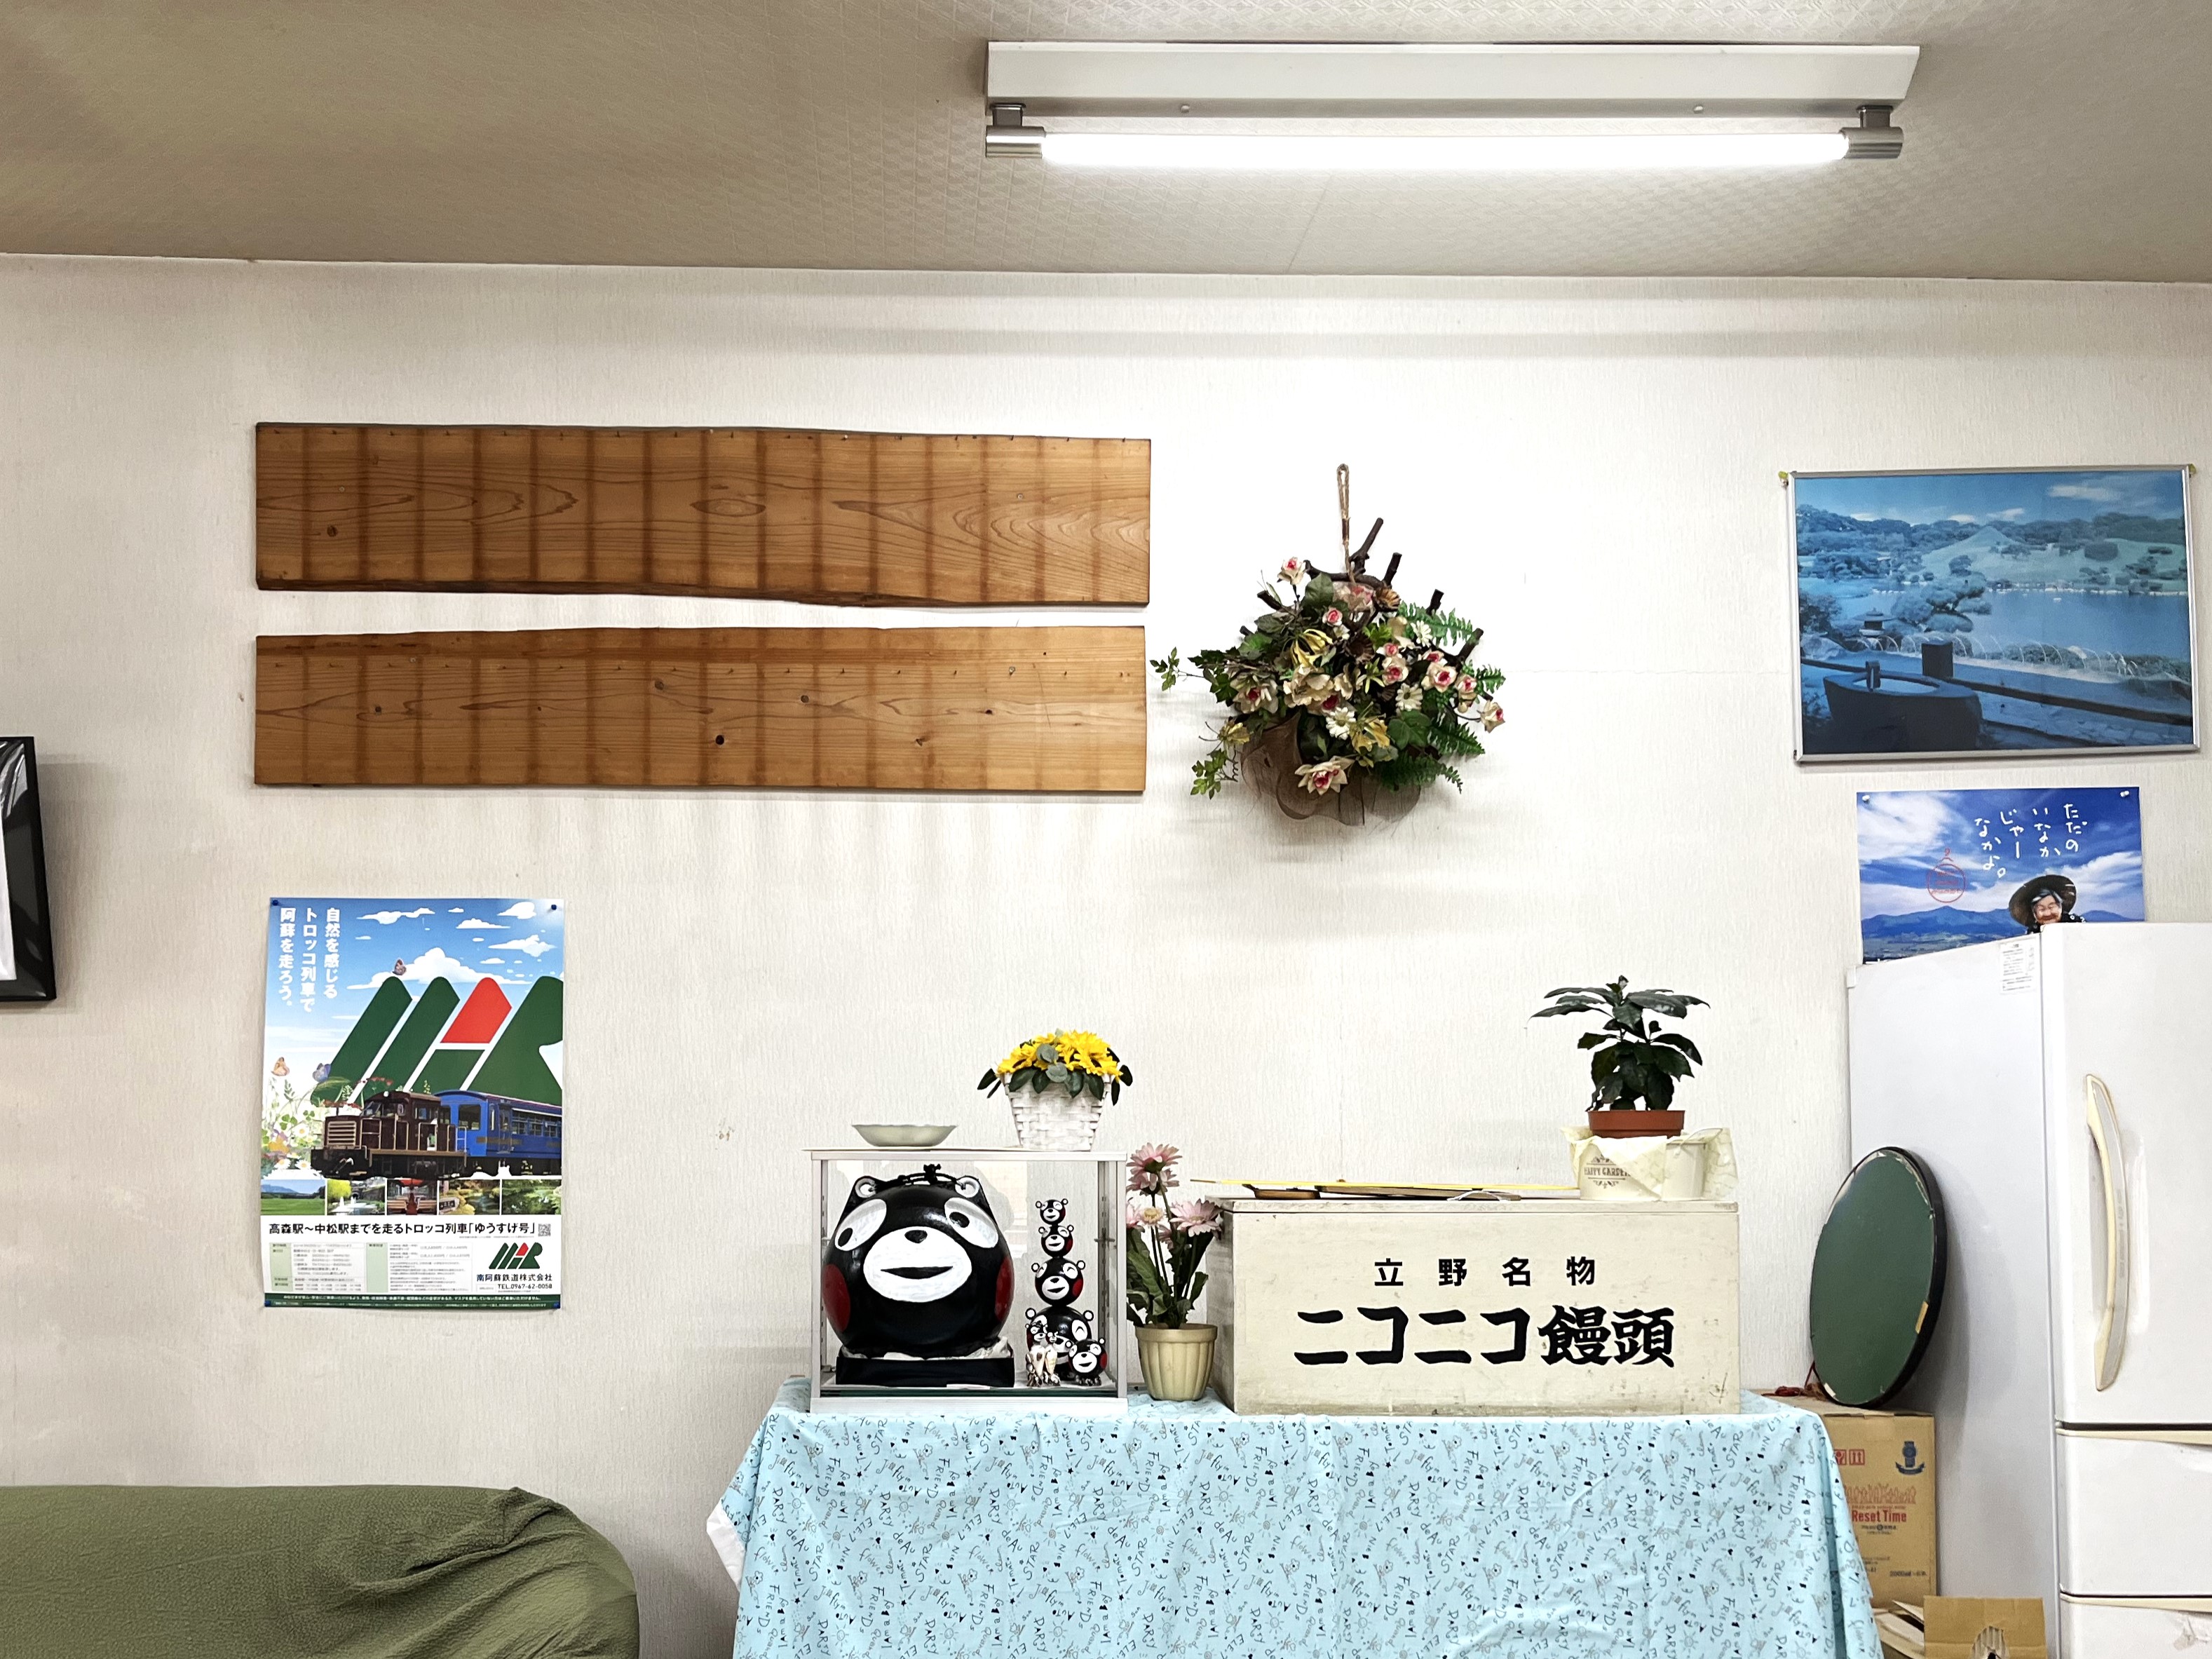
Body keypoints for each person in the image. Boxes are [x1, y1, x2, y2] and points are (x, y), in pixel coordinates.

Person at [2009, 872, 2084, 933]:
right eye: (2041, 909)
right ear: (2034, 913)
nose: (2048, 913)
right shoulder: (2034, 932)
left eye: (2052, 907)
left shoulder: (2076, 923)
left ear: (2060, 907)